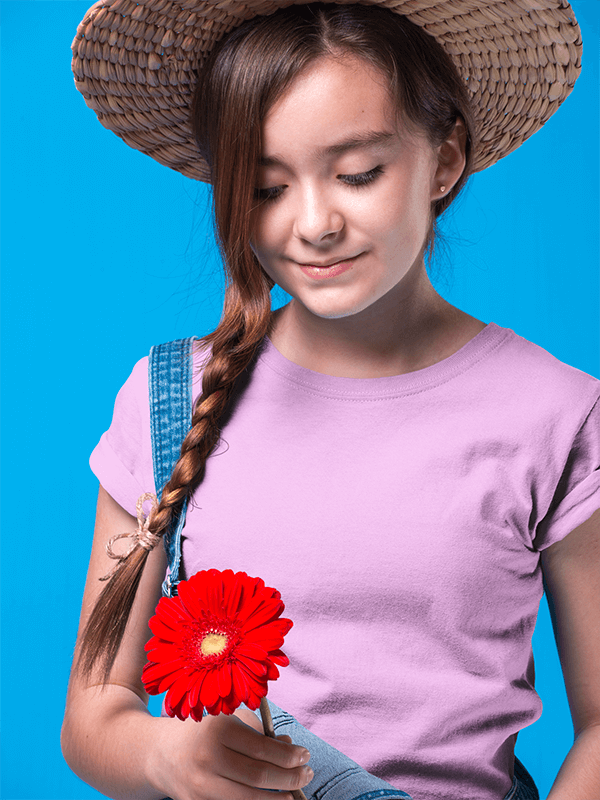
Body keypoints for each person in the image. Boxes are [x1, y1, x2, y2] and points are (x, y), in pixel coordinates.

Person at [61, 2, 600, 800]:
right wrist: (161, 757)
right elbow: (93, 711)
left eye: (357, 174)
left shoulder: (556, 412)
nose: (313, 223)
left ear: (445, 158)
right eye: (266, 187)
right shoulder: (168, 401)